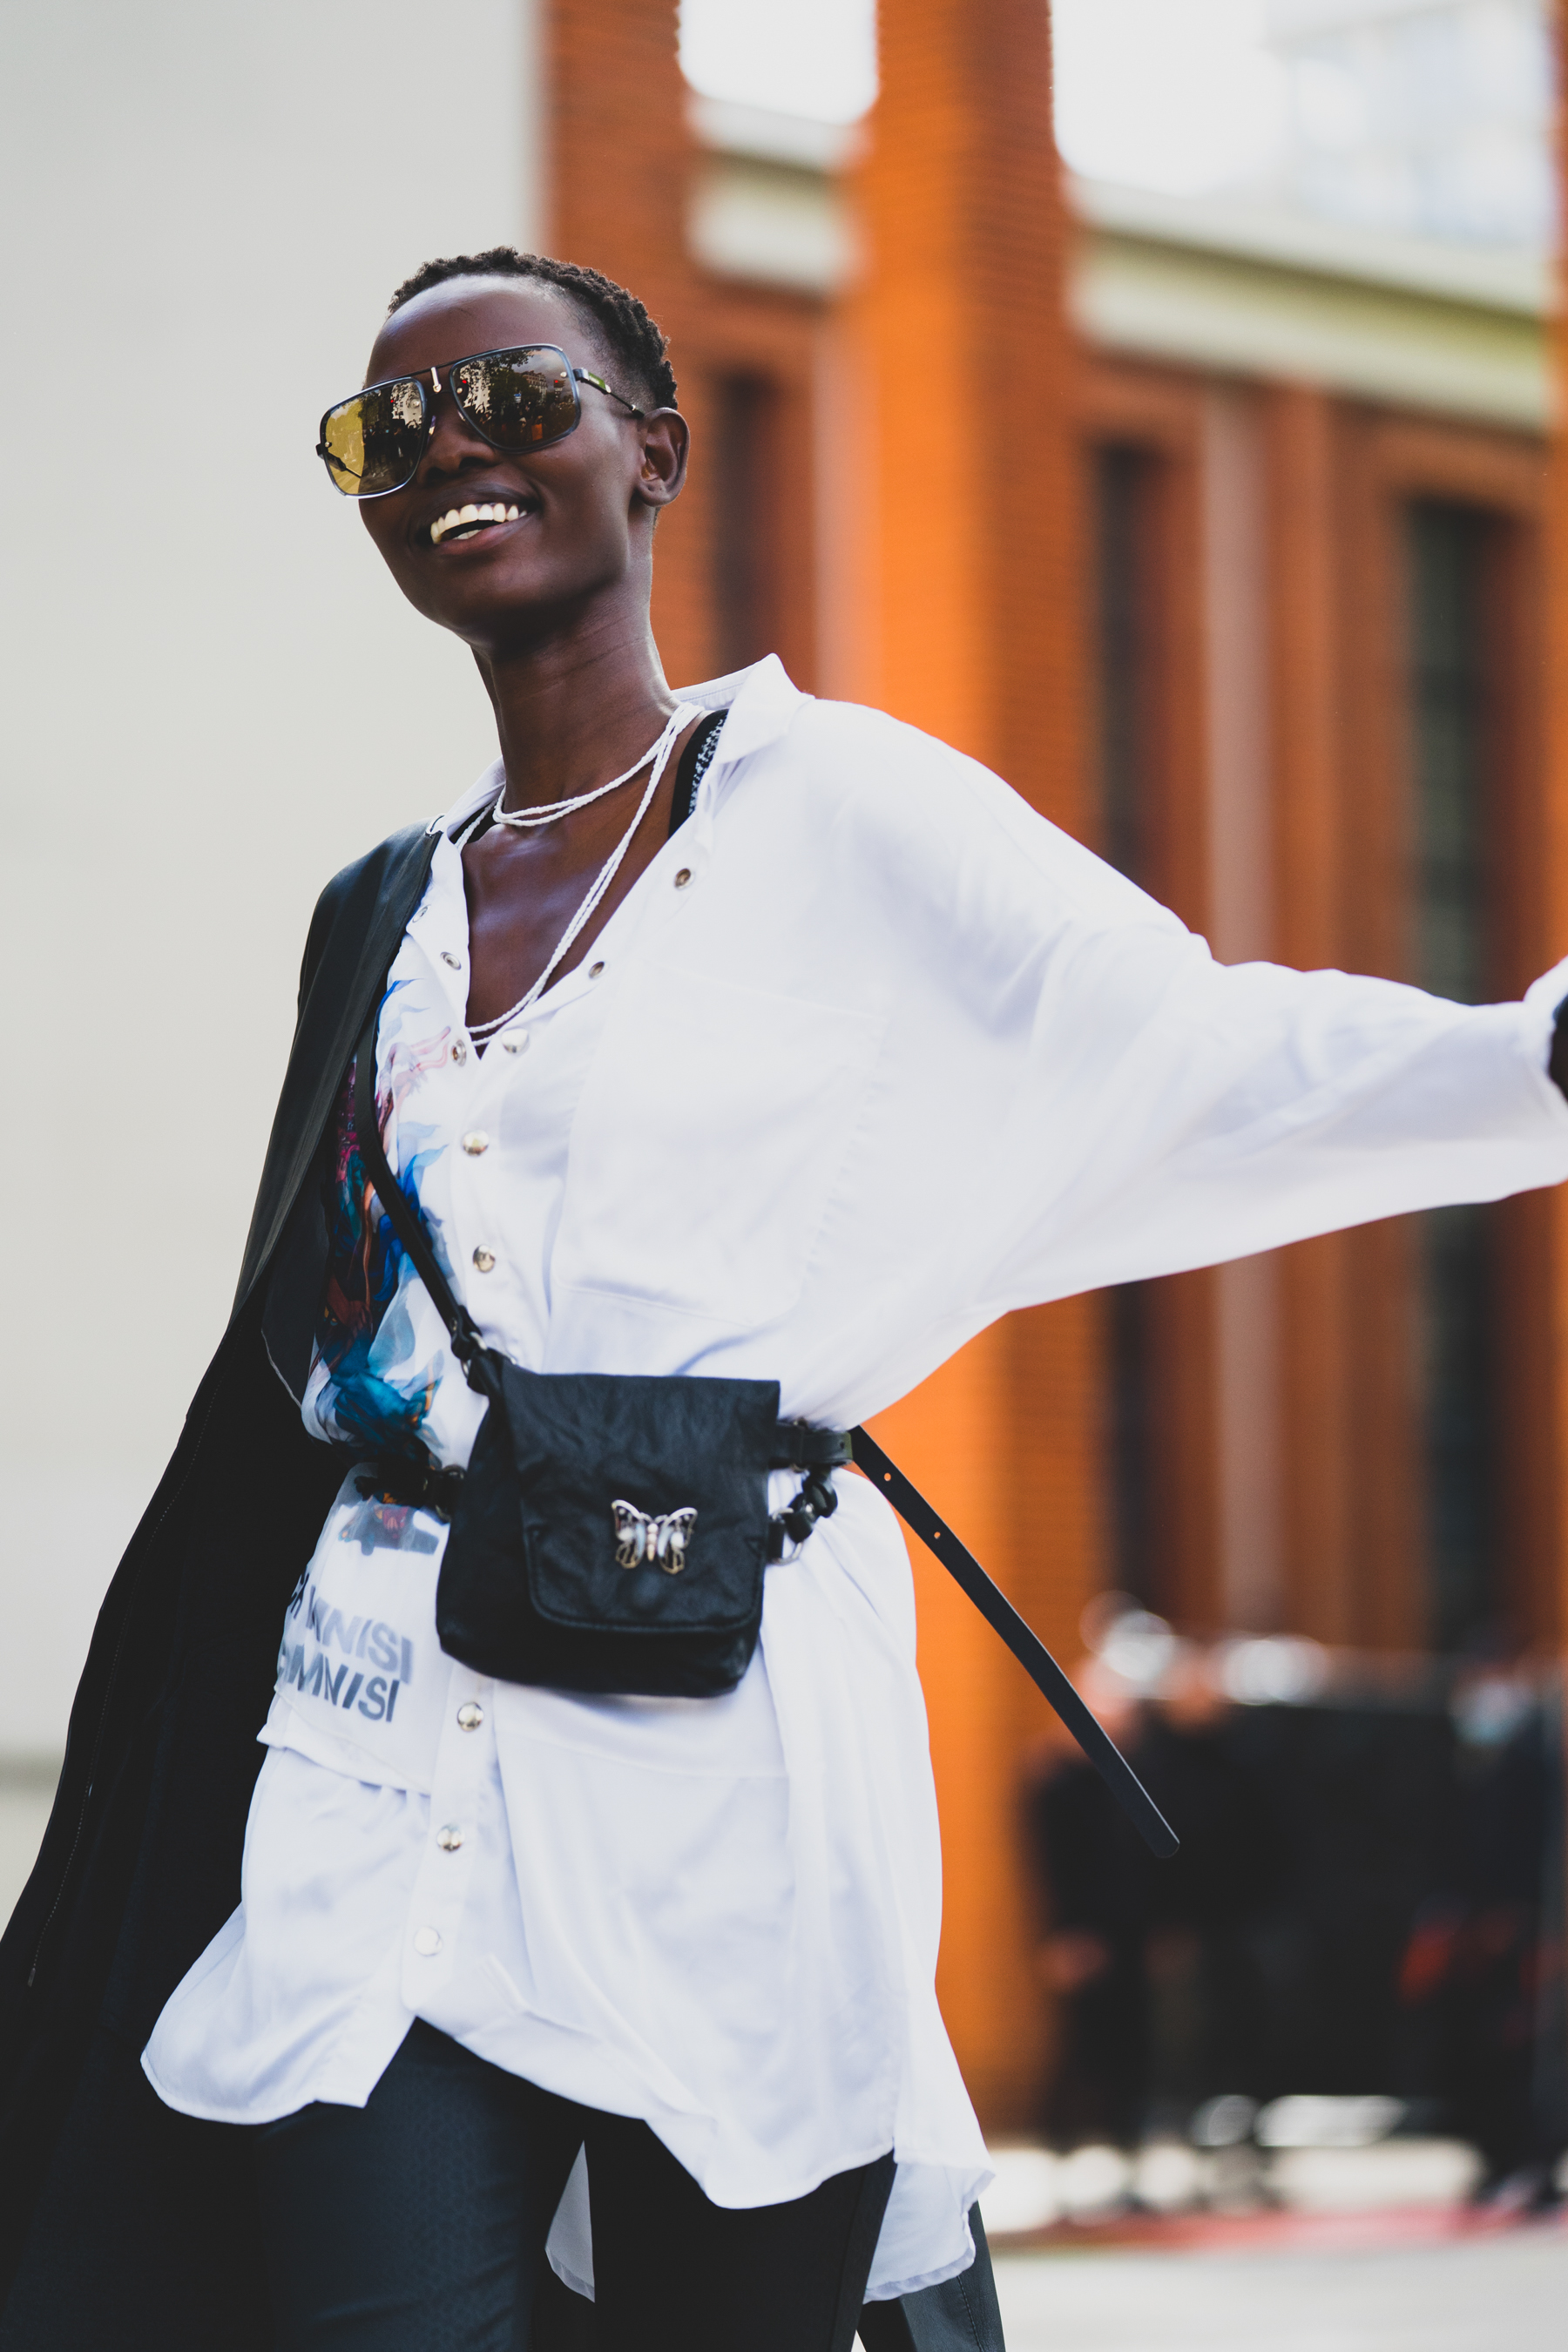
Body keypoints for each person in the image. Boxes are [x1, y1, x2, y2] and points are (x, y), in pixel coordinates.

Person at [4, 246, 1568, 2351]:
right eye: (395, 430)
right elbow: (299, 1360)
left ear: (650, 452)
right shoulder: (379, 912)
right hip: (377, 1772)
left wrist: (1529, 1064)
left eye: (515, 400)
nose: (453, 449)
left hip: (718, 1784)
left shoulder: (846, 816)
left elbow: (1189, 1053)